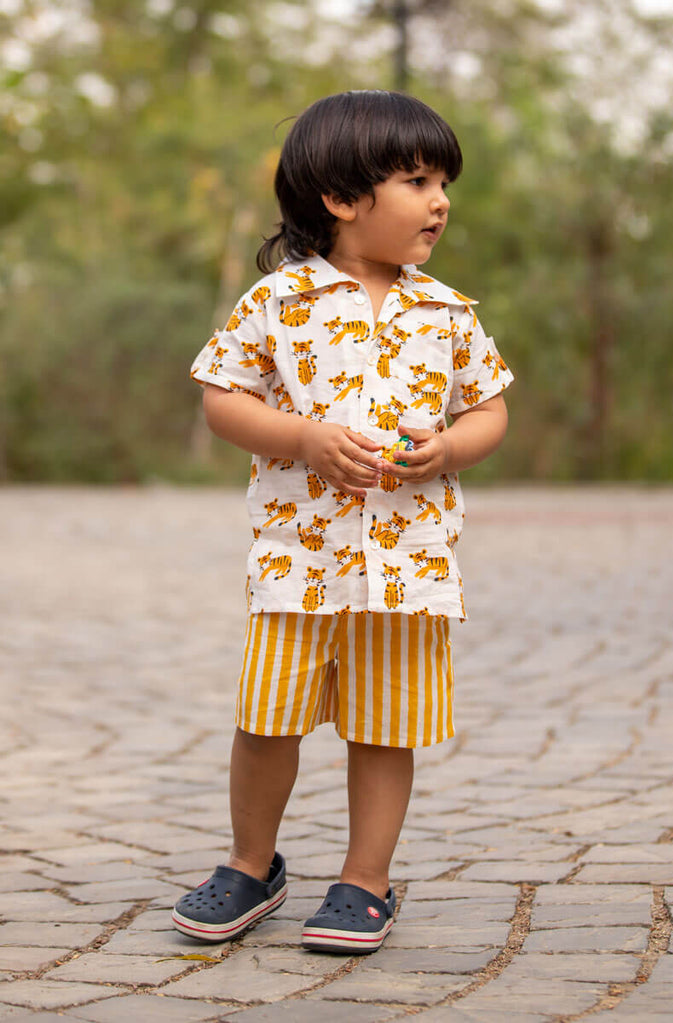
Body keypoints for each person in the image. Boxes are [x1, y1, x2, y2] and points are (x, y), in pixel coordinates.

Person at [171, 89, 513, 954]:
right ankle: (251, 864)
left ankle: (365, 880)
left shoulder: (448, 312)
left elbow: (489, 409)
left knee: (388, 726)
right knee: (266, 718)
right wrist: (302, 438)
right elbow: (223, 399)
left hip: (406, 569)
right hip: (298, 561)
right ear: (340, 197)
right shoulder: (277, 301)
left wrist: (448, 448)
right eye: (416, 181)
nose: (439, 201)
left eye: (443, 183)